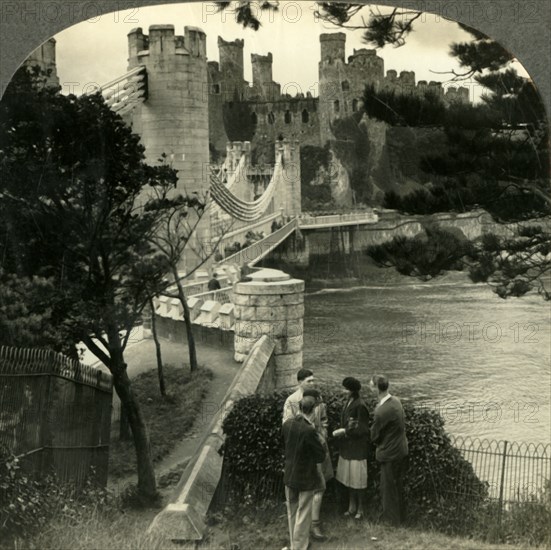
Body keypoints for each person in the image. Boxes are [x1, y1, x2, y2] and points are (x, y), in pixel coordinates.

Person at [282, 395, 326, 550]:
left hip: (289, 475)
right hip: (305, 477)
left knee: (291, 511)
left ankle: (295, 543)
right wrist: (321, 440)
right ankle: (300, 546)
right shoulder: (309, 431)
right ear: (313, 411)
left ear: (300, 408)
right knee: (304, 512)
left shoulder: (287, 424)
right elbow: (320, 455)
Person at [369, 374, 409, 526]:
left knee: (388, 489)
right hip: (400, 450)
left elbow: (374, 436)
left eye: (371, 386)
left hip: (389, 453)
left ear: (376, 389)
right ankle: (400, 518)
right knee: (397, 485)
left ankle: (390, 521)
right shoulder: (396, 402)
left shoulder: (381, 411)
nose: (370, 388)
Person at [332, 376, 370, 520]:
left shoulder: (360, 405)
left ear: (351, 390)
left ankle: (360, 508)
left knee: (358, 480)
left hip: (357, 449)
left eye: (345, 389)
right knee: (349, 479)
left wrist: (345, 431)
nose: (343, 391)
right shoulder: (349, 402)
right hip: (347, 448)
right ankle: (351, 506)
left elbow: (363, 429)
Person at [302, 388, 333, 541]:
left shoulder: (321, 406)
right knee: (316, 488)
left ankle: (313, 524)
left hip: (319, 451)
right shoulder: (297, 406)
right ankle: (313, 525)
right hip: (309, 455)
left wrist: (323, 434)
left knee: (319, 487)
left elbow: (324, 422)